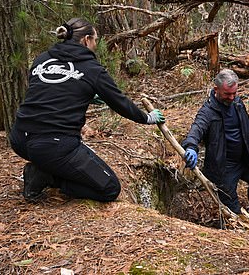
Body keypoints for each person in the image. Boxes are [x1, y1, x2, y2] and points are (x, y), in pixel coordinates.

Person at [9, 17, 165, 202]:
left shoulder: (41, 60)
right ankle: (47, 176)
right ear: (86, 40)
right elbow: (120, 102)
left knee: (49, 153)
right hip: (55, 145)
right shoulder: (92, 69)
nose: (96, 45)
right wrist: (147, 118)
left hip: (20, 139)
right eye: (95, 40)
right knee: (109, 188)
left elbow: (48, 93)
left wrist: (87, 95)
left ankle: (45, 166)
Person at [181, 69, 249, 224]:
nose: (232, 97)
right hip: (223, 166)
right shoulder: (207, 112)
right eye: (227, 94)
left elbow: (247, 126)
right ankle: (239, 229)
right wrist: (191, 147)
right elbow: (196, 129)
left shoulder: (237, 103)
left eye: (234, 93)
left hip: (244, 158)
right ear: (216, 90)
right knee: (231, 206)